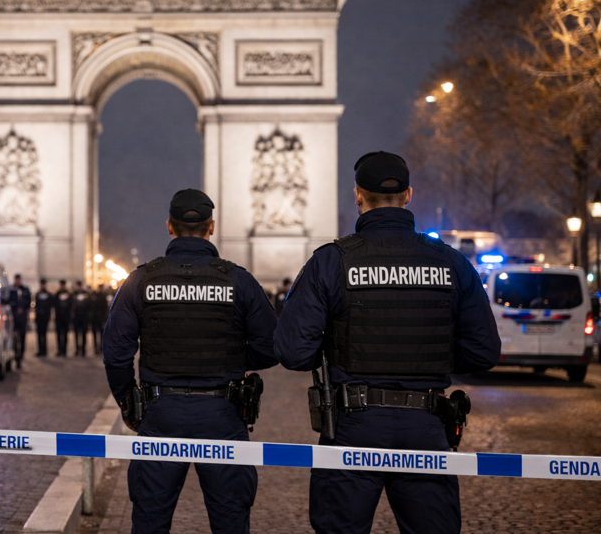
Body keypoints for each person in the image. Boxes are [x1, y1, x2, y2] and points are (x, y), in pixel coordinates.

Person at [274, 151, 501, 534]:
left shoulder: (330, 262)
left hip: (353, 425)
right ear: (408, 195)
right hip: (426, 424)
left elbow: (293, 352)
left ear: (358, 195)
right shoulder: (451, 263)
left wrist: (337, 348)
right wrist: (429, 355)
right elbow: (484, 352)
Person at [103, 188, 279, 534]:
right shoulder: (238, 280)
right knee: (230, 521)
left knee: (150, 521)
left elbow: (115, 350)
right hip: (223, 413)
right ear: (211, 227)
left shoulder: (141, 280)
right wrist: (231, 358)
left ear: (170, 226)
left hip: (160, 412)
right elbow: (272, 346)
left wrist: (128, 401)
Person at [8, 274, 32, 368]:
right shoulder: (11, 289)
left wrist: (23, 308)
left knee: (22, 337)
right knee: (13, 338)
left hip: (22, 318)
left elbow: (28, 302)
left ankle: (20, 356)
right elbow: (9, 301)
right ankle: (15, 355)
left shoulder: (25, 290)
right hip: (13, 318)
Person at [33, 278, 54, 357]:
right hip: (39, 317)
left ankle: (44, 349)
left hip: (45, 316)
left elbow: (50, 305)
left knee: (44, 333)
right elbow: (36, 306)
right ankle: (40, 349)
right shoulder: (38, 294)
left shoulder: (48, 295)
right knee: (39, 334)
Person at [71, 280, 91, 356]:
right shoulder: (74, 294)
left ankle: (83, 350)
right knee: (76, 334)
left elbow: (88, 305)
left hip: (84, 317)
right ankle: (77, 349)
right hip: (76, 317)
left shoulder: (86, 294)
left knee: (84, 334)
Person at [89, 283, 109, 355]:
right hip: (96, 317)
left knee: (101, 334)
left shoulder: (103, 296)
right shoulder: (95, 296)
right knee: (96, 333)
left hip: (100, 317)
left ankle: (100, 347)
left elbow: (105, 308)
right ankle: (96, 347)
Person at [54, 279, 72, 357]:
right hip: (59, 317)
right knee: (58, 334)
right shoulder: (57, 293)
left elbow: (70, 304)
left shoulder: (68, 294)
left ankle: (64, 350)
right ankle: (59, 349)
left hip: (66, 317)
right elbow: (55, 304)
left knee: (65, 334)